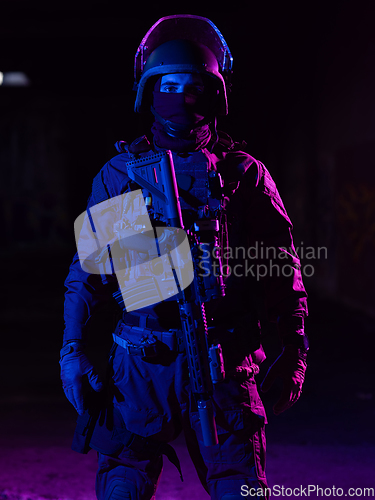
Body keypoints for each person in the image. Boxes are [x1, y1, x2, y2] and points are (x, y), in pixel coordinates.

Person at [60, 15, 308, 500]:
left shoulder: (242, 177)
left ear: (215, 95)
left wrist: (295, 346)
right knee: (122, 490)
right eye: (169, 86)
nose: (182, 99)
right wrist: (72, 348)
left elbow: (283, 265)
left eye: (194, 87)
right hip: (140, 369)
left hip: (225, 368)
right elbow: (88, 271)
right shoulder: (125, 175)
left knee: (241, 490)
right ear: (148, 92)